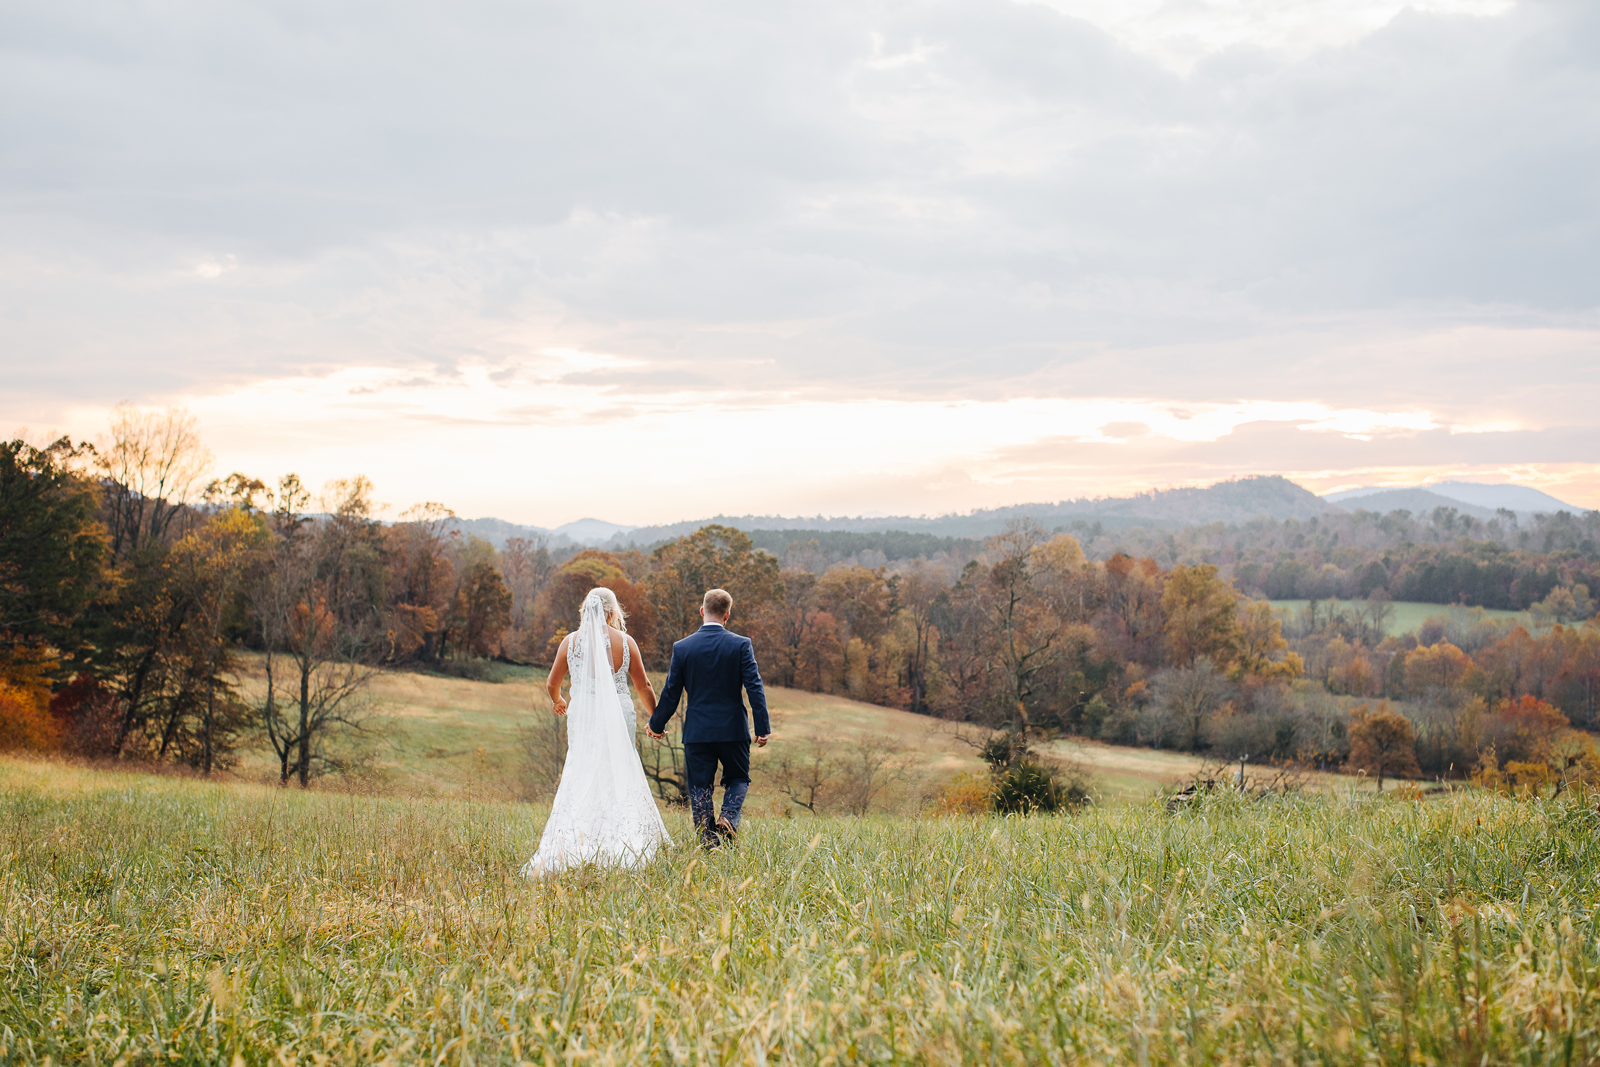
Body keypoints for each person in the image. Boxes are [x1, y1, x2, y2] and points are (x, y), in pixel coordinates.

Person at [522, 587, 672, 876]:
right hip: (618, 714)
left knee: (582, 767)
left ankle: (579, 840)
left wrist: (558, 700)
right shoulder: (626, 642)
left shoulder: (570, 642)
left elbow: (552, 682)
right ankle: (624, 840)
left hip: (584, 716)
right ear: (613, 612)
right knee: (619, 767)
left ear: (585, 610)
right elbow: (643, 686)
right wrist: (657, 719)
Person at [647, 588, 771, 847]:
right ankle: (728, 817)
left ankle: (708, 842)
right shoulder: (741, 645)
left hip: (697, 732)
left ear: (702, 611)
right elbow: (754, 686)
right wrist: (762, 727)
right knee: (738, 778)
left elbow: (671, 692)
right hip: (733, 729)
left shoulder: (682, 648)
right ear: (727, 615)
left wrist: (656, 724)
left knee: (700, 787)